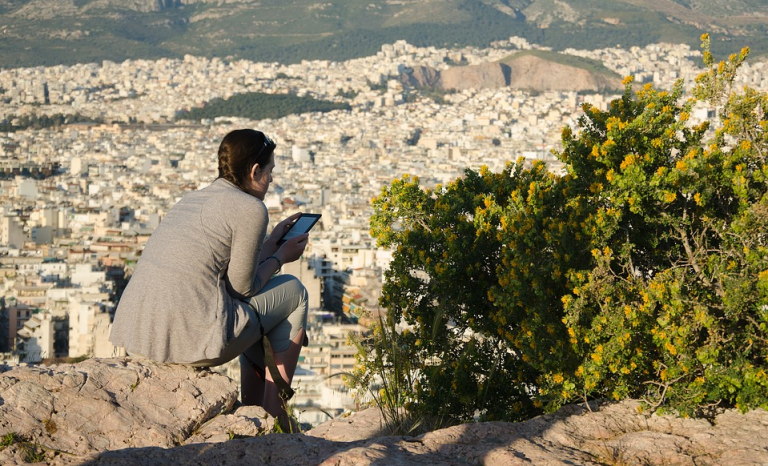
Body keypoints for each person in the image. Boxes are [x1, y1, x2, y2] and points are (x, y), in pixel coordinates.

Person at [110, 129, 309, 429]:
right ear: (254, 171)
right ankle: (274, 417)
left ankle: (254, 411)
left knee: (257, 308)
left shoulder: (192, 199)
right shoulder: (251, 208)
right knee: (294, 292)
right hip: (190, 341)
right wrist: (281, 258)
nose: (271, 181)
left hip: (142, 337)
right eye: (269, 172)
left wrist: (270, 246)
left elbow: (227, 271)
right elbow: (244, 288)